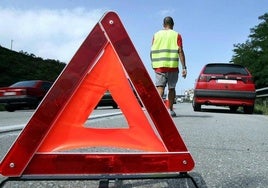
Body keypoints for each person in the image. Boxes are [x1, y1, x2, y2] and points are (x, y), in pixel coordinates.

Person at [150, 16, 187, 117]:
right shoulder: (177, 35)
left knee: (160, 88)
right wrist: (184, 67)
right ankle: (170, 110)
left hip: (159, 66)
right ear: (173, 25)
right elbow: (180, 50)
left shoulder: (156, 35)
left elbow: (152, 51)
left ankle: (157, 110)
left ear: (163, 25)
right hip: (172, 66)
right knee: (171, 88)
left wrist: (153, 65)